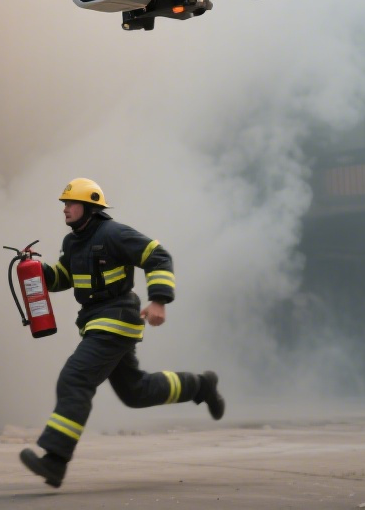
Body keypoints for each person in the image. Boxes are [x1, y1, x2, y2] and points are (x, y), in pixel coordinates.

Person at [19, 177, 225, 489]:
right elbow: (64, 277)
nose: (65, 209)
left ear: (89, 206)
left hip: (114, 320)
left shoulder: (114, 233)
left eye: (70, 203)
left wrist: (159, 299)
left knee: (75, 378)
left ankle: (55, 460)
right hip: (97, 322)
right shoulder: (72, 241)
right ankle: (201, 386)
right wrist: (40, 271)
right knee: (135, 392)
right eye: (63, 203)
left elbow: (159, 256)